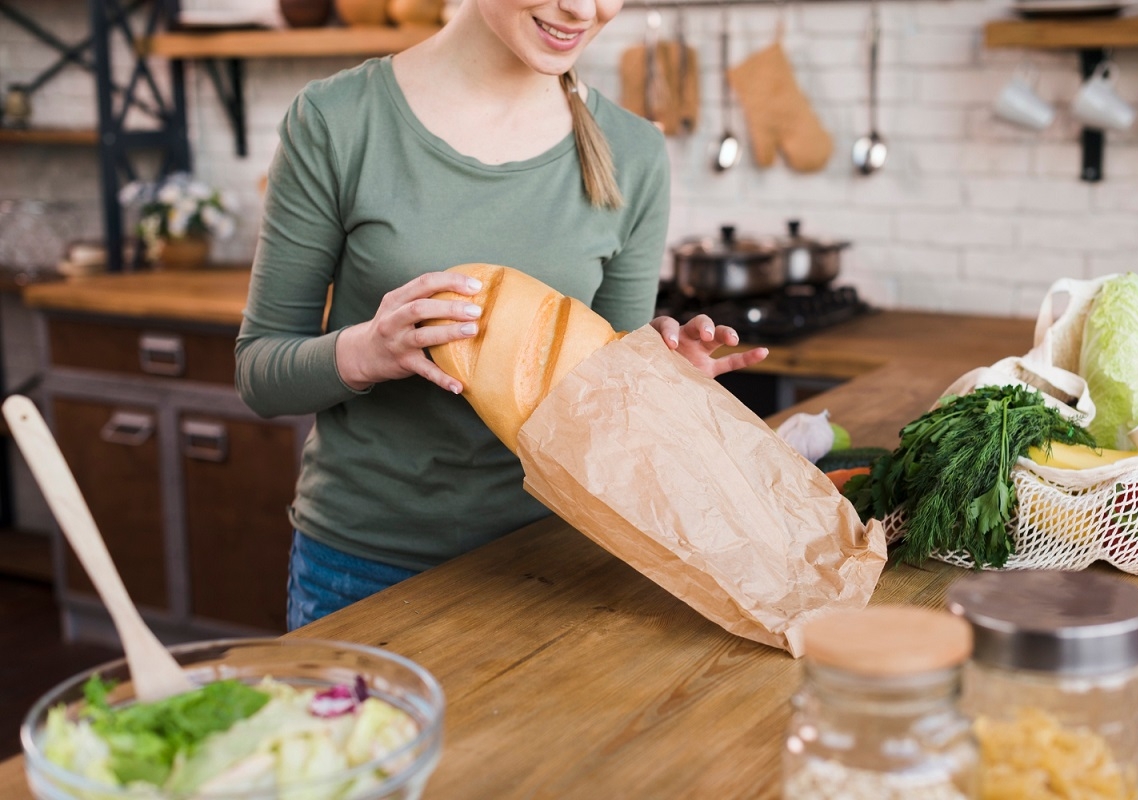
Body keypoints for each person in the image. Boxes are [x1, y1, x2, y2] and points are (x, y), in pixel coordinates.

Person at [235, 0, 768, 630]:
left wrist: (658, 383)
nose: (583, 8)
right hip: (365, 569)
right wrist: (366, 351)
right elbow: (259, 372)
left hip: (557, 570)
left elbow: (604, 414)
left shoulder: (633, 150)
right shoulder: (339, 120)